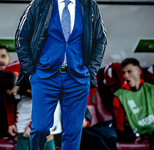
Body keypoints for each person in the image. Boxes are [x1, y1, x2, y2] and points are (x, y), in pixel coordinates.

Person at [15, 0, 107, 149]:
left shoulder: (89, 4)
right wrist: (31, 72)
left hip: (77, 78)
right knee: (40, 128)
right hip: (44, 77)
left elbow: (100, 40)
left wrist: (90, 73)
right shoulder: (39, 3)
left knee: (73, 133)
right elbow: (21, 37)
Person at [0, 60, 62, 150]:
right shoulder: (7, 74)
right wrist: (11, 123)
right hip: (27, 94)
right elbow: (8, 99)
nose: (12, 94)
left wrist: (32, 125)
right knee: (21, 130)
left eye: (12, 92)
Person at [113, 58, 154, 147]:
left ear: (139, 71)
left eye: (129, 71)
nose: (126, 76)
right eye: (124, 72)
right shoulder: (120, 96)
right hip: (137, 134)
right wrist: (132, 137)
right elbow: (120, 125)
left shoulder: (151, 89)